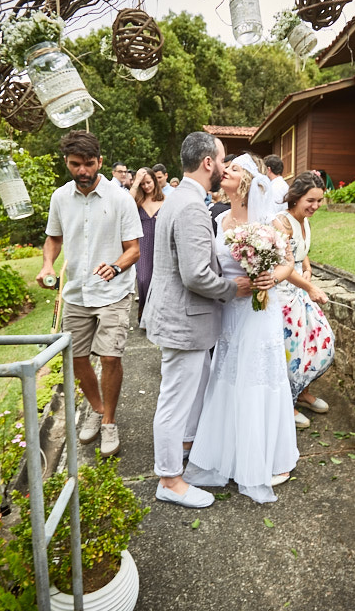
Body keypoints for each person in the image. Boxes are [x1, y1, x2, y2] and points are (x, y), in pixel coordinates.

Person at [142, 132, 255, 509]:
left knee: (187, 396)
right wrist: (232, 288)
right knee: (175, 401)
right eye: (222, 160)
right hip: (184, 321)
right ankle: (170, 479)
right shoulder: (190, 206)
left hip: (178, 317)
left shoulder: (180, 199)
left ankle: (186, 451)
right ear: (208, 162)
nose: (224, 167)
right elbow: (195, 275)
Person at [183, 153, 299, 503]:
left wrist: (270, 277)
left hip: (259, 311)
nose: (223, 171)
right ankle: (229, 453)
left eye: (231, 169)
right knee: (229, 375)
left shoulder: (269, 219)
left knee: (258, 376)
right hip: (231, 309)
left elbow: (288, 261)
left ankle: (268, 457)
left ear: (246, 180)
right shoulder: (219, 220)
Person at [37, 131, 143, 458]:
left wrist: (115, 266)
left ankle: (109, 420)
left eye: (88, 163)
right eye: (75, 164)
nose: (82, 170)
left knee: (110, 357)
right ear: (67, 163)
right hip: (76, 293)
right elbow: (54, 238)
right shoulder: (60, 198)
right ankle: (96, 409)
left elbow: (134, 250)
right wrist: (46, 266)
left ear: (99, 161)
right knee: (77, 359)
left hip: (113, 291)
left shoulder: (120, 198)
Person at [273, 171, 335, 429]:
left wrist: (308, 268)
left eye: (319, 201)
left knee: (320, 340)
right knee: (291, 350)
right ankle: (288, 403)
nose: (316, 206)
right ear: (296, 197)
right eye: (311, 200)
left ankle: (303, 391)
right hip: (283, 294)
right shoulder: (281, 223)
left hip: (300, 288)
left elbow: (302, 253)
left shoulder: (305, 221)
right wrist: (309, 285)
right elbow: (283, 264)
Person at [128, 166, 165, 323]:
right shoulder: (137, 200)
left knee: (160, 280)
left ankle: (157, 316)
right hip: (143, 243)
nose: (146, 186)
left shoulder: (165, 201)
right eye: (143, 184)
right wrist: (136, 182)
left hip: (160, 244)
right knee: (143, 279)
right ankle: (144, 314)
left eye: (148, 182)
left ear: (155, 181)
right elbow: (124, 203)